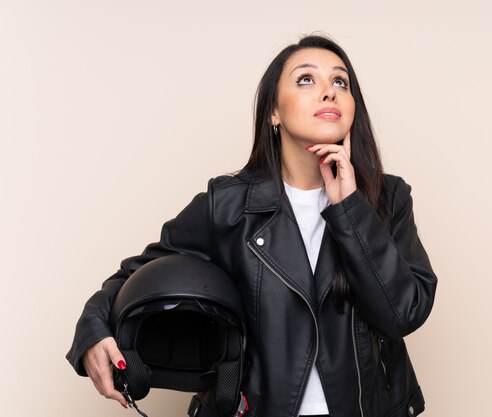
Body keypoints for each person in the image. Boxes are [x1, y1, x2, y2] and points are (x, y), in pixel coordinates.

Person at [67, 34, 438, 417]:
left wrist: (349, 207)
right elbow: (133, 277)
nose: (329, 92)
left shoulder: (387, 198)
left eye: (340, 82)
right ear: (273, 112)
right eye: (306, 79)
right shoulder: (227, 206)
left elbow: (402, 315)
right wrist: (93, 333)